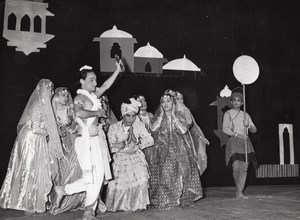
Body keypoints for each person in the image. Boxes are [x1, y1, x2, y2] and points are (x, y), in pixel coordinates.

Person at [54, 63, 122, 220]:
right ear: (82, 81)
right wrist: (97, 112)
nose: (95, 83)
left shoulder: (93, 96)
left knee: (95, 177)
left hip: (96, 140)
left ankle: (64, 190)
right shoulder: (79, 98)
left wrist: (117, 70)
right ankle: (88, 212)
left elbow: (106, 85)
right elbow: (78, 112)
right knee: (93, 177)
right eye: (91, 80)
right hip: (85, 142)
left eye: (95, 80)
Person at [0, 79, 63, 215]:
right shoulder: (37, 105)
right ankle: (27, 203)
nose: (51, 93)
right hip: (31, 140)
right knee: (29, 169)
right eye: (48, 90)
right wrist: (49, 131)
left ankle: (35, 201)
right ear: (41, 91)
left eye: (51, 90)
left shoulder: (45, 105)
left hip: (38, 140)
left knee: (39, 169)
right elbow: (35, 128)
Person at [149, 91, 203, 210]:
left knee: (181, 175)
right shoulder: (157, 117)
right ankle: (167, 200)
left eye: (168, 101)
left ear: (174, 103)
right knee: (165, 175)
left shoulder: (179, 115)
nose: (165, 104)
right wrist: (161, 117)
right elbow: (152, 130)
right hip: (163, 151)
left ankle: (180, 199)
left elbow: (184, 130)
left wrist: (173, 116)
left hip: (180, 150)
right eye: (163, 102)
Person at [105, 98, 154, 212]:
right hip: (120, 157)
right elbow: (110, 146)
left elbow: (150, 140)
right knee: (118, 183)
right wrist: (122, 145)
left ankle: (137, 204)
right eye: (128, 116)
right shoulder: (114, 127)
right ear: (122, 115)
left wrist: (138, 145)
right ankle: (120, 205)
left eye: (133, 116)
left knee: (142, 177)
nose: (131, 119)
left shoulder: (138, 126)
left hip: (135, 156)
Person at [49, 87, 85, 214]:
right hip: (59, 144)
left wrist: (71, 129)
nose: (65, 98)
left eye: (67, 95)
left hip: (73, 141)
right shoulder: (51, 112)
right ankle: (60, 199)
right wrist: (56, 131)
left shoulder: (70, 110)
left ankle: (77, 199)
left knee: (76, 168)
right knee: (62, 170)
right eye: (62, 95)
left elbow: (78, 124)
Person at [222, 88, 257, 199]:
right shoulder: (228, 113)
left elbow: (254, 130)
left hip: (246, 142)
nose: (236, 102)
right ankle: (238, 189)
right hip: (233, 141)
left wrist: (248, 125)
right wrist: (237, 135)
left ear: (242, 103)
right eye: (234, 100)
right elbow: (225, 129)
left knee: (244, 167)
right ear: (231, 102)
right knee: (236, 167)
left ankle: (239, 191)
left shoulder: (246, 114)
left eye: (239, 100)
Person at [173, 90, 210, 175]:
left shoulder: (186, 111)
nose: (180, 101)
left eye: (182, 99)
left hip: (187, 142)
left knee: (189, 165)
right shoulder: (169, 113)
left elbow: (193, 127)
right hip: (173, 142)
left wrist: (200, 137)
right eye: (177, 98)